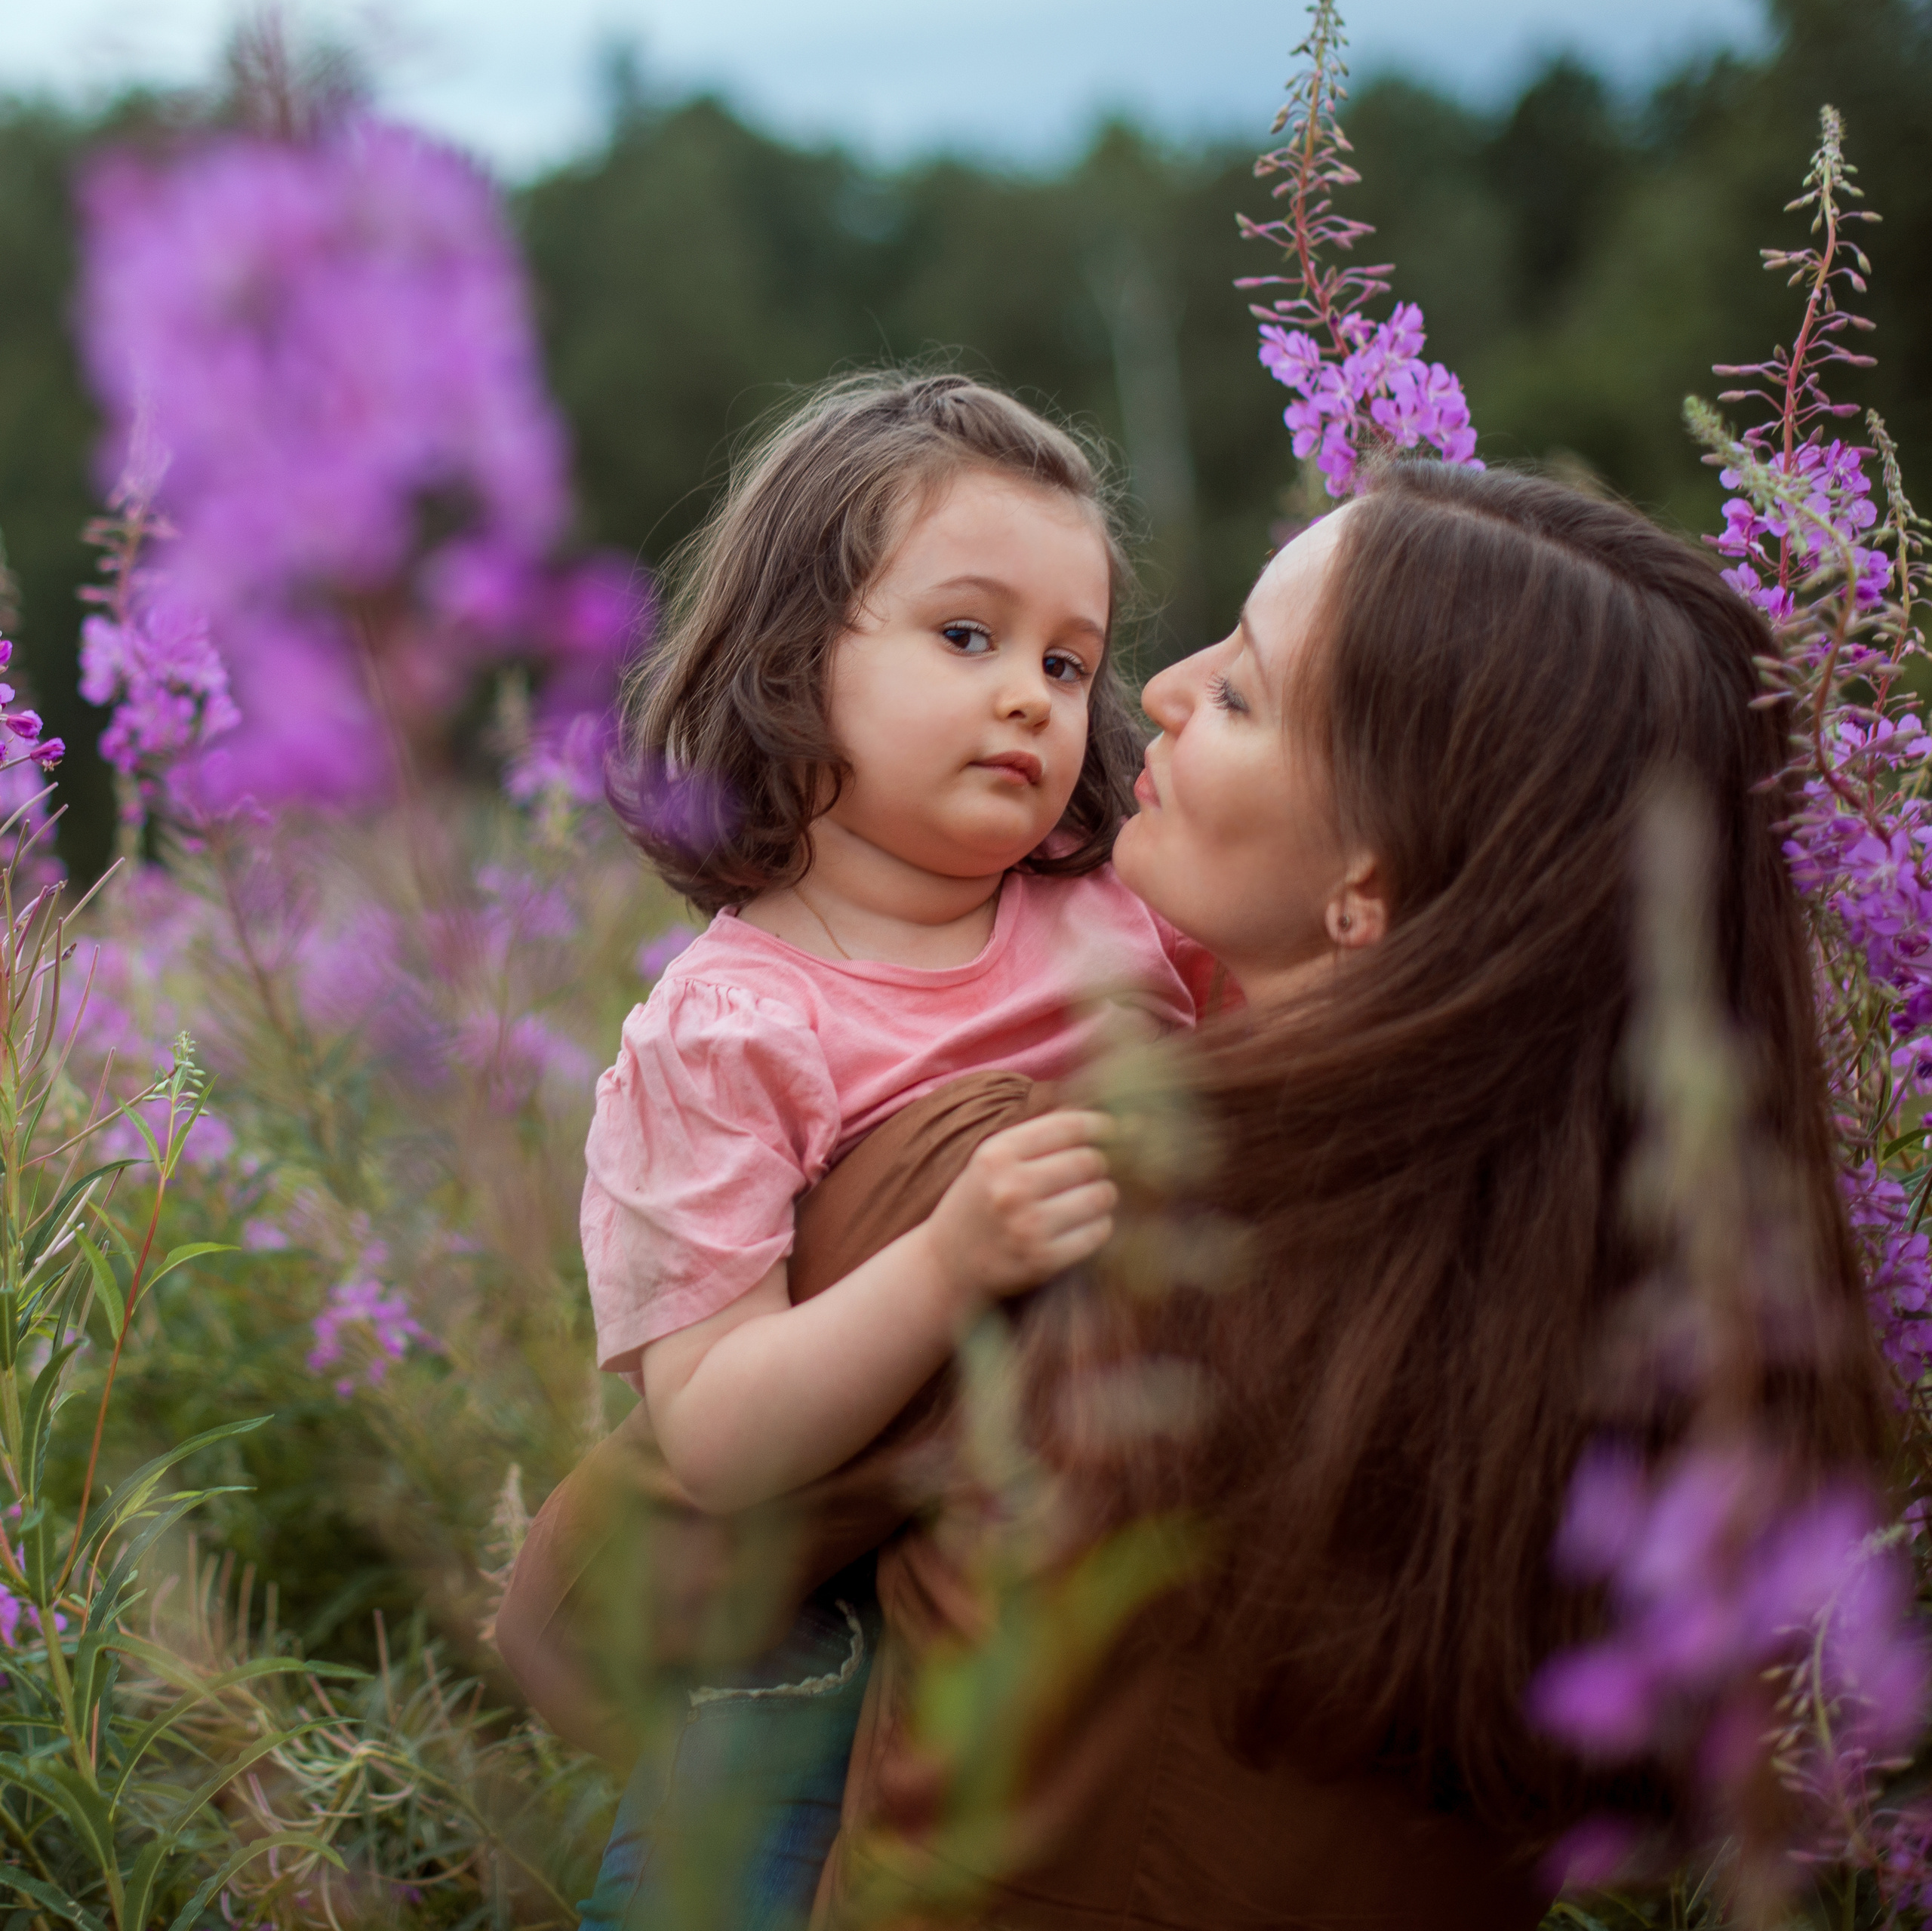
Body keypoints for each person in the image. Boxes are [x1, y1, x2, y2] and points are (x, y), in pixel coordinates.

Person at [503, 460, 1893, 1926]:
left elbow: (580, 1615)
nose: (1149, 693)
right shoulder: (1671, 1356)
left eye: (1237, 692)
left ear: (1367, 881)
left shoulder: (1035, 1188)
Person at [570, 370, 1221, 1929]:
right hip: (826, 1617)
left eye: (1068, 662)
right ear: (791, 658)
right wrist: (947, 1260)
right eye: (967, 634)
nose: (1035, 699)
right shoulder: (730, 1029)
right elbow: (717, 1430)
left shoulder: (1130, 916)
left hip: (1121, 1571)